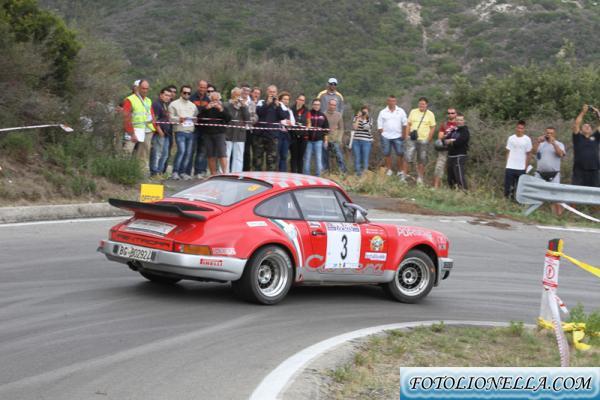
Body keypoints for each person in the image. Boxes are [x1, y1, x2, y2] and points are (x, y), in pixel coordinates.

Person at [532, 126, 566, 215]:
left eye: (551, 133)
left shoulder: (559, 144)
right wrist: (537, 141)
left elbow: (560, 154)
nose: (549, 135)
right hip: (540, 173)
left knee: (555, 196)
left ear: (555, 134)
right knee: (535, 193)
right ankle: (533, 213)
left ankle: (557, 216)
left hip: (554, 174)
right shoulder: (541, 144)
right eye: (547, 133)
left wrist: (553, 143)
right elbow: (533, 152)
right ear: (545, 133)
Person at [122, 79, 156, 165]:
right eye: (143, 88)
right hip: (134, 130)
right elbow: (126, 117)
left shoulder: (148, 100)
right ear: (138, 88)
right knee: (127, 152)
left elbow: (151, 115)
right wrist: (131, 133)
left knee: (144, 155)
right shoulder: (130, 99)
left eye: (147, 88)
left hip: (146, 130)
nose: (145, 91)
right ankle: (122, 170)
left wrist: (153, 127)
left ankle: (142, 172)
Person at [254, 85, 287, 171]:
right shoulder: (261, 102)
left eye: (274, 92)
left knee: (272, 162)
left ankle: (270, 178)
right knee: (257, 161)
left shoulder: (279, 104)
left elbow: (283, 116)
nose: (272, 93)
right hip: (260, 136)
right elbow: (259, 112)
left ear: (276, 93)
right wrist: (267, 103)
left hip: (272, 136)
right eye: (270, 92)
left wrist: (278, 106)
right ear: (267, 92)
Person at [169, 85, 199, 180]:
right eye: (185, 92)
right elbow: (170, 118)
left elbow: (196, 117)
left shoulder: (193, 105)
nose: (186, 94)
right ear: (181, 93)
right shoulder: (174, 104)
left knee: (188, 153)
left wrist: (195, 120)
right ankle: (175, 172)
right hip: (180, 131)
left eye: (189, 93)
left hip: (190, 131)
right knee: (181, 151)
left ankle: (183, 172)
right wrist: (179, 119)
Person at [405, 97, 436, 185]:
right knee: (407, 157)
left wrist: (428, 139)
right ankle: (404, 176)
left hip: (423, 140)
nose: (421, 105)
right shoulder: (413, 112)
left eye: (423, 104)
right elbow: (408, 124)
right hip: (412, 139)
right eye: (420, 103)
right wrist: (407, 135)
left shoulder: (430, 114)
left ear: (426, 105)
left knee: (421, 159)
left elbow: (433, 127)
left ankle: (420, 178)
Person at [199, 92, 231, 175]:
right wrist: (206, 109)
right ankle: (213, 174)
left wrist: (221, 110)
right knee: (210, 155)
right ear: (210, 100)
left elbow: (228, 119)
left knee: (222, 154)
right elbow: (199, 119)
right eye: (213, 100)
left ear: (219, 99)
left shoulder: (223, 108)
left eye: (216, 100)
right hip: (208, 134)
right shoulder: (206, 107)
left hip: (220, 133)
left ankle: (225, 173)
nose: (215, 102)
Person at [377, 95, 407, 178]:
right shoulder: (382, 112)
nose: (392, 102)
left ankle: (400, 171)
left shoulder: (401, 111)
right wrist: (383, 133)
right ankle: (389, 170)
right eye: (390, 101)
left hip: (398, 136)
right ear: (387, 102)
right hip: (386, 136)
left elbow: (405, 123)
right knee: (387, 153)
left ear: (396, 101)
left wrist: (404, 134)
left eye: (393, 101)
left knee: (400, 153)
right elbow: (379, 125)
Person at [571, 104, 600, 187]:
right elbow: (576, 124)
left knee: (594, 193)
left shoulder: (596, 137)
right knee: (577, 192)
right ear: (581, 130)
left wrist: (597, 113)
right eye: (585, 126)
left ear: (591, 129)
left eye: (589, 126)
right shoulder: (578, 137)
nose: (587, 127)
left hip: (594, 170)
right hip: (579, 171)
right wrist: (583, 112)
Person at [224, 87, 250, 173]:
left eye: (239, 95)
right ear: (232, 95)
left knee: (239, 156)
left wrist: (243, 106)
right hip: (228, 133)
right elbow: (225, 117)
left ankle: (236, 174)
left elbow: (247, 119)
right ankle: (224, 173)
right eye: (236, 95)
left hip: (240, 134)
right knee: (226, 155)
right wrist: (231, 104)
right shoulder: (226, 105)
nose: (238, 97)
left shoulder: (244, 106)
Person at [504, 120, 532, 199]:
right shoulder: (511, 138)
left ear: (524, 129)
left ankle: (518, 201)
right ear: (516, 128)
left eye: (521, 128)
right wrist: (507, 164)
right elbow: (508, 151)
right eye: (518, 128)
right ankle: (507, 200)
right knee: (508, 186)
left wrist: (526, 166)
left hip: (521, 167)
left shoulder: (527, 139)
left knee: (519, 187)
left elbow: (529, 154)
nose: (519, 130)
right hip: (510, 166)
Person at [149, 87, 172, 177]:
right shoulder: (156, 104)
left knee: (165, 154)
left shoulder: (165, 105)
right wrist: (159, 130)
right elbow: (154, 119)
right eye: (166, 95)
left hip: (166, 133)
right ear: (161, 95)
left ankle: (160, 171)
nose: (167, 97)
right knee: (157, 153)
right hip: (159, 133)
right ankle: (154, 172)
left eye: (169, 96)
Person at [303, 99, 329, 176]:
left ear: (320, 106)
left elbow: (326, 129)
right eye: (315, 104)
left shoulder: (323, 116)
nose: (316, 106)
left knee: (318, 159)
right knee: (307, 159)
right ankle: (306, 176)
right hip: (308, 140)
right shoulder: (308, 114)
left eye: (318, 104)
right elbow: (304, 125)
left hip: (319, 141)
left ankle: (318, 176)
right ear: (312, 105)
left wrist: (326, 140)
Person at [433, 108, 458, 189]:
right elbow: (440, 137)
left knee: (454, 168)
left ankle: (455, 187)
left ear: (456, 114)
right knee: (439, 166)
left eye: (452, 113)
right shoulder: (444, 124)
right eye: (449, 113)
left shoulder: (459, 124)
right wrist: (449, 136)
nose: (450, 114)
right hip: (444, 149)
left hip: (455, 149)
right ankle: (436, 187)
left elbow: (461, 137)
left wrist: (449, 137)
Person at [190, 80, 210, 178]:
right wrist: (204, 110)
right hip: (193, 128)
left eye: (204, 87)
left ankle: (198, 172)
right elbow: (192, 112)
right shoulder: (192, 98)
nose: (202, 89)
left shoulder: (208, 99)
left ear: (206, 88)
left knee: (202, 151)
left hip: (204, 129)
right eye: (201, 87)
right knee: (191, 150)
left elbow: (208, 113)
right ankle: (187, 171)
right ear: (198, 87)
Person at [445, 113, 470, 190]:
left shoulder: (465, 131)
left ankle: (464, 192)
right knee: (450, 177)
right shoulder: (453, 130)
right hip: (450, 156)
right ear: (455, 121)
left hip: (459, 156)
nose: (459, 122)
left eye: (461, 120)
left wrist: (451, 141)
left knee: (459, 176)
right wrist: (450, 140)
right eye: (458, 120)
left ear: (464, 121)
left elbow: (459, 142)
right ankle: (453, 193)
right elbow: (445, 140)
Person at [323, 99, 347, 174]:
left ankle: (343, 172)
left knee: (339, 155)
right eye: (331, 104)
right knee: (325, 156)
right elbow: (321, 127)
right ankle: (326, 172)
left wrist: (339, 139)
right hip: (325, 139)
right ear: (328, 105)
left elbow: (341, 128)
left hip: (335, 140)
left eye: (334, 105)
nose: (332, 106)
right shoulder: (323, 114)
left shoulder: (338, 115)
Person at [243, 87, 262, 171]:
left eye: (258, 93)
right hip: (248, 130)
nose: (256, 95)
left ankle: (255, 170)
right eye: (255, 93)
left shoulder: (261, 103)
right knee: (246, 151)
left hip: (258, 132)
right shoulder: (248, 102)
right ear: (251, 93)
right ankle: (246, 169)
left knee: (256, 152)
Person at [352, 105, 373, 176]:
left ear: (368, 112)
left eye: (366, 112)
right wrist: (358, 118)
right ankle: (357, 173)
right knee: (357, 158)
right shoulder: (356, 117)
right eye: (363, 112)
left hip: (366, 141)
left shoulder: (370, 119)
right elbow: (354, 127)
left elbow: (366, 127)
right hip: (356, 141)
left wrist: (364, 119)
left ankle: (364, 174)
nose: (364, 113)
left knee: (365, 158)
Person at [276, 91, 295, 172]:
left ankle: (282, 172)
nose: (286, 101)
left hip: (286, 134)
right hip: (278, 133)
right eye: (284, 99)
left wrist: (288, 122)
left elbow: (292, 122)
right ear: (280, 99)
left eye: (288, 99)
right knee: (276, 155)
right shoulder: (277, 107)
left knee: (284, 155)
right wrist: (285, 121)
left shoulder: (289, 110)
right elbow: (281, 120)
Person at [289, 94, 308, 173]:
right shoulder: (291, 109)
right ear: (297, 100)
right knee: (294, 156)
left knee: (301, 157)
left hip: (303, 136)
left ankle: (300, 173)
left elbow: (308, 122)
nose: (301, 101)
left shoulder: (306, 110)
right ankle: (293, 173)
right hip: (293, 136)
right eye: (300, 99)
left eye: (303, 100)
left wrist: (306, 127)